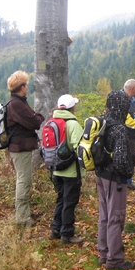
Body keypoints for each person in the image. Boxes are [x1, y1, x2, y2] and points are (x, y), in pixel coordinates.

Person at [96, 90, 135, 270]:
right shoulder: (120, 129)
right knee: (115, 218)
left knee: (104, 216)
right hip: (115, 180)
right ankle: (115, 260)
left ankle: (103, 253)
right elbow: (120, 162)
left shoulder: (102, 123)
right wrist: (129, 172)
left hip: (100, 175)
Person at [5, 70, 45, 227]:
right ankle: (22, 218)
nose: (27, 87)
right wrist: (39, 116)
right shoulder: (17, 105)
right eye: (26, 85)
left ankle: (24, 213)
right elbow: (35, 121)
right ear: (21, 86)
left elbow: (33, 119)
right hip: (20, 148)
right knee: (24, 181)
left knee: (23, 179)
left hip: (19, 147)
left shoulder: (16, 102)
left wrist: (36, 117)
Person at [50, 94, 85, 244]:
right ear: (72, 108)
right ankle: (67, 233)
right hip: (71, 171)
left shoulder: (51, 122)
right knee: (69, 202)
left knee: (60, 199)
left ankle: (55, 229)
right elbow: (80, 148)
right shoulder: (73, 124)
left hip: (55, 169)